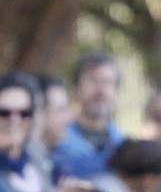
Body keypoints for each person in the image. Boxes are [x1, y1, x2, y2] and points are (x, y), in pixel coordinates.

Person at [51, 53, 124, 181]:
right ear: (76, 89)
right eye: (93, 81)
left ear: (117, 91)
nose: (101, 90)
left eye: (107, 82)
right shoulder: (54, 140)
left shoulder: (122, 144)